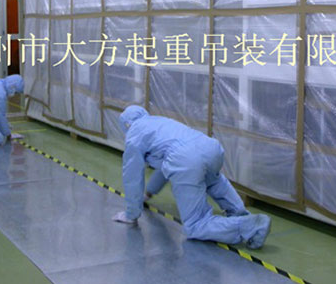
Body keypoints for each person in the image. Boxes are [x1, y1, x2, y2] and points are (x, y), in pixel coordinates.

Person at [112, 105, 272, 249]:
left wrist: (131, 214)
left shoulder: (133, 135)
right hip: (210, 148)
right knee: (214, 182)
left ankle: (249, 226)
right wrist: (150, 192)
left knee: (195, 225)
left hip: (186, 160)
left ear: (126, 125)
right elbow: (164, 167)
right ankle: (241, 215)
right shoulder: (158, 122)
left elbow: (132, 178)